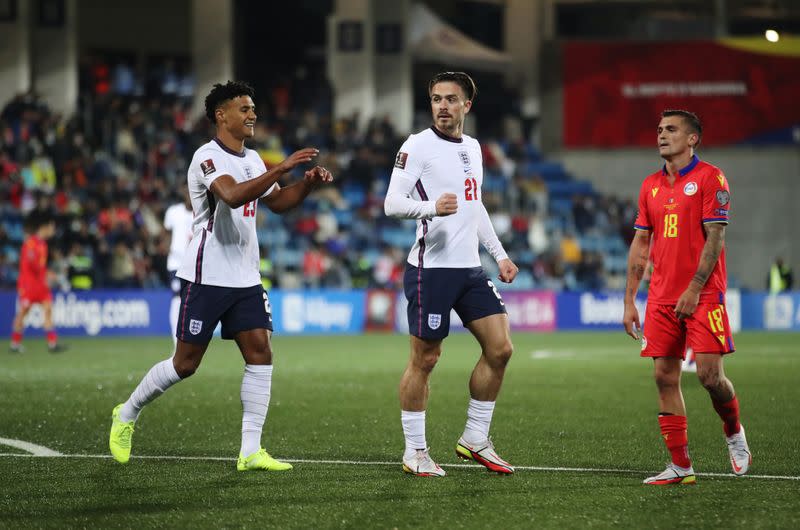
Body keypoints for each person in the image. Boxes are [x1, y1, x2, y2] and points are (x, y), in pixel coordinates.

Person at [108, 81, 332, 471]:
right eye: (244, 108)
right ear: (221, 115)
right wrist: (279, 167)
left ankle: (250, 450)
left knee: (261, 354)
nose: (252, 115)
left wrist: (306, 185)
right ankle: (126, 413)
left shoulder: (253, 158)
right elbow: (231, 195)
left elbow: (277, 203)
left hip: (245, 276)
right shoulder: (206, 158)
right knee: (185, 364)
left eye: (253, 108)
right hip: (206, 274)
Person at [384, 72, 519, 477]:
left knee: (500, 349)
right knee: (425, 359)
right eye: (436, 99)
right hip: (431, 270)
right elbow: (392, 202)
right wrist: (430, 209)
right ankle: (415, 451)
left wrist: (500, 255)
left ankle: (475, 437)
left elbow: (474, 206)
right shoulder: (417, 146)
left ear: (466, 106)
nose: (442, 106)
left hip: (470, 270)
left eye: (451, 99)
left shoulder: (474, 148)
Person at [623, 109, 751, 485]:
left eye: (672, 130)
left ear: (692, 138)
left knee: (710, 377)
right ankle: (681, 466)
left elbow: (716, 238)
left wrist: (694, 289)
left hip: (704, 294)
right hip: (661, 297)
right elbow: (641, 242)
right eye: (660, 129)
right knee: (664, 376)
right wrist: (630, 300)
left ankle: (733, 430)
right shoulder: (650, 185)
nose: (662, 135)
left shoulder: (712, 177)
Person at [9, 213, 67, 353]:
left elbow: (39, 266)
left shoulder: (43, 244)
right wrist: (47, 273)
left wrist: (46, 275)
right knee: (23, 313)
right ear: (44, 227)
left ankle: (52, 344)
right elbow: (32, 263)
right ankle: (15, 344)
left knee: (48, 310)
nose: (53, 231)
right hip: (28, 284)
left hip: (41, 285)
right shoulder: (31, 242)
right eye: (52, 228)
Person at [163, 185, 194, 346]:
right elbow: (166, 233)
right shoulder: (173, 212)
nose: (190, 195)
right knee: (177, 299)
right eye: (187, 192)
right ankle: (177, 343)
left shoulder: (203, 212)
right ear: (183, 193)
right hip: (176, 263)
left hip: (195, 265)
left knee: (191, 302)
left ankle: (188, 340)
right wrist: (166, 247)